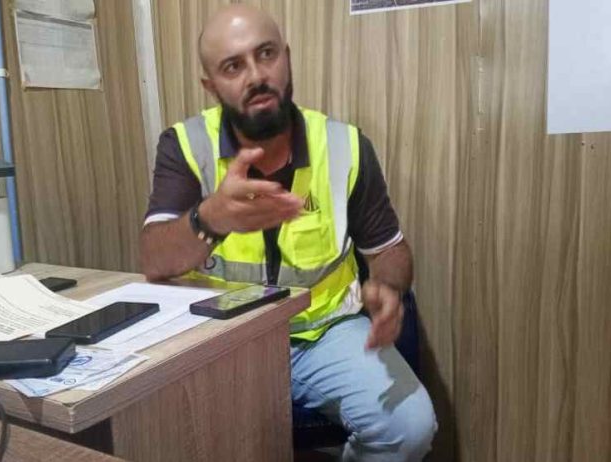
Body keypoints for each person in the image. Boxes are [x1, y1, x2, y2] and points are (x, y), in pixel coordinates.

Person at [139, 4, 436, 461]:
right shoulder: (184, 145)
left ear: (287, 58)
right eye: (233, 66)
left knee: (410, 425)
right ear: (211, 85)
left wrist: (389, 287)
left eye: (266, 54)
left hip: (326, 334)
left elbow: (390, 249)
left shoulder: (345, 144)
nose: (256, 75)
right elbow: (155, 259)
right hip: (225, 340)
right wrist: (212, 217)